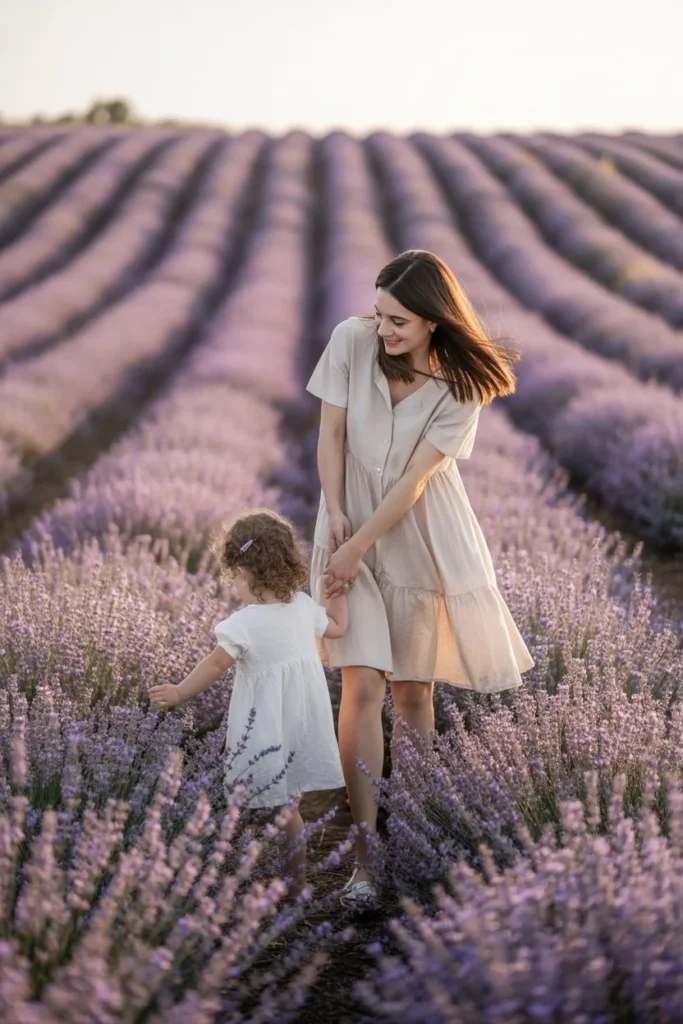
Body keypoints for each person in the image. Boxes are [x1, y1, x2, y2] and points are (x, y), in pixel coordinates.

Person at [306, 249, 536, 908]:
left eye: (398, 321)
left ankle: (414, 833)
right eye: (379, 315)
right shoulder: (351, 340)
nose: (383, 331)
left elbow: (414, 482)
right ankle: (364, 858)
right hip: (347, 520)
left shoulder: (462, 386)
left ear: (435, 319)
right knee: (358, 684)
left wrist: (362, 546)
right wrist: (339, 523)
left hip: (419, 537)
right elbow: (328, 438)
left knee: (410, 693)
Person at [148, 508, 348, 899]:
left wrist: (179, 691)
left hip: (266, 724)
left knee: (272, 804)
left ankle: (289, 882)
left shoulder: (244, 623)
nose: (234, 584)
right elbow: (339, 628)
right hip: (301, 720)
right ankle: (287, 874)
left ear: (245, 572)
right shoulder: (305, 607)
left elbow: (215, 664)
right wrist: (341, 598)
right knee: (285, 802)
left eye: (234, 576)